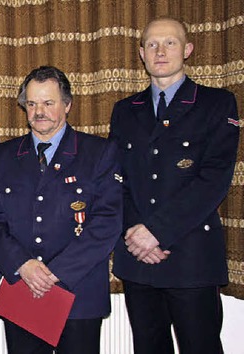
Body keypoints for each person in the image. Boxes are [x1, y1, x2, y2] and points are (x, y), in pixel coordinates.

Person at [109, 17, 239, 354]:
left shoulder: (216, 104)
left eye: (170, 43)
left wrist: (156, 232)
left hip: (190, 258)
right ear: (141, 53)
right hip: (138, 258)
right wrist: (135, 235)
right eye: (152, 44)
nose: (160, 51)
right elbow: (116, 180)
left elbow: (213, 180)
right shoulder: (125, 110)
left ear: (188, 49)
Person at [0, 66, 122, 354]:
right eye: (31, 104)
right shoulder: (3, 156)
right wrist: (24, 265)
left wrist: (54, 272)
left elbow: (107, 221)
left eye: (48, 103)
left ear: (67, 105)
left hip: (77, 292)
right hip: (22, 287)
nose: (38, 111)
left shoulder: (98, 153)